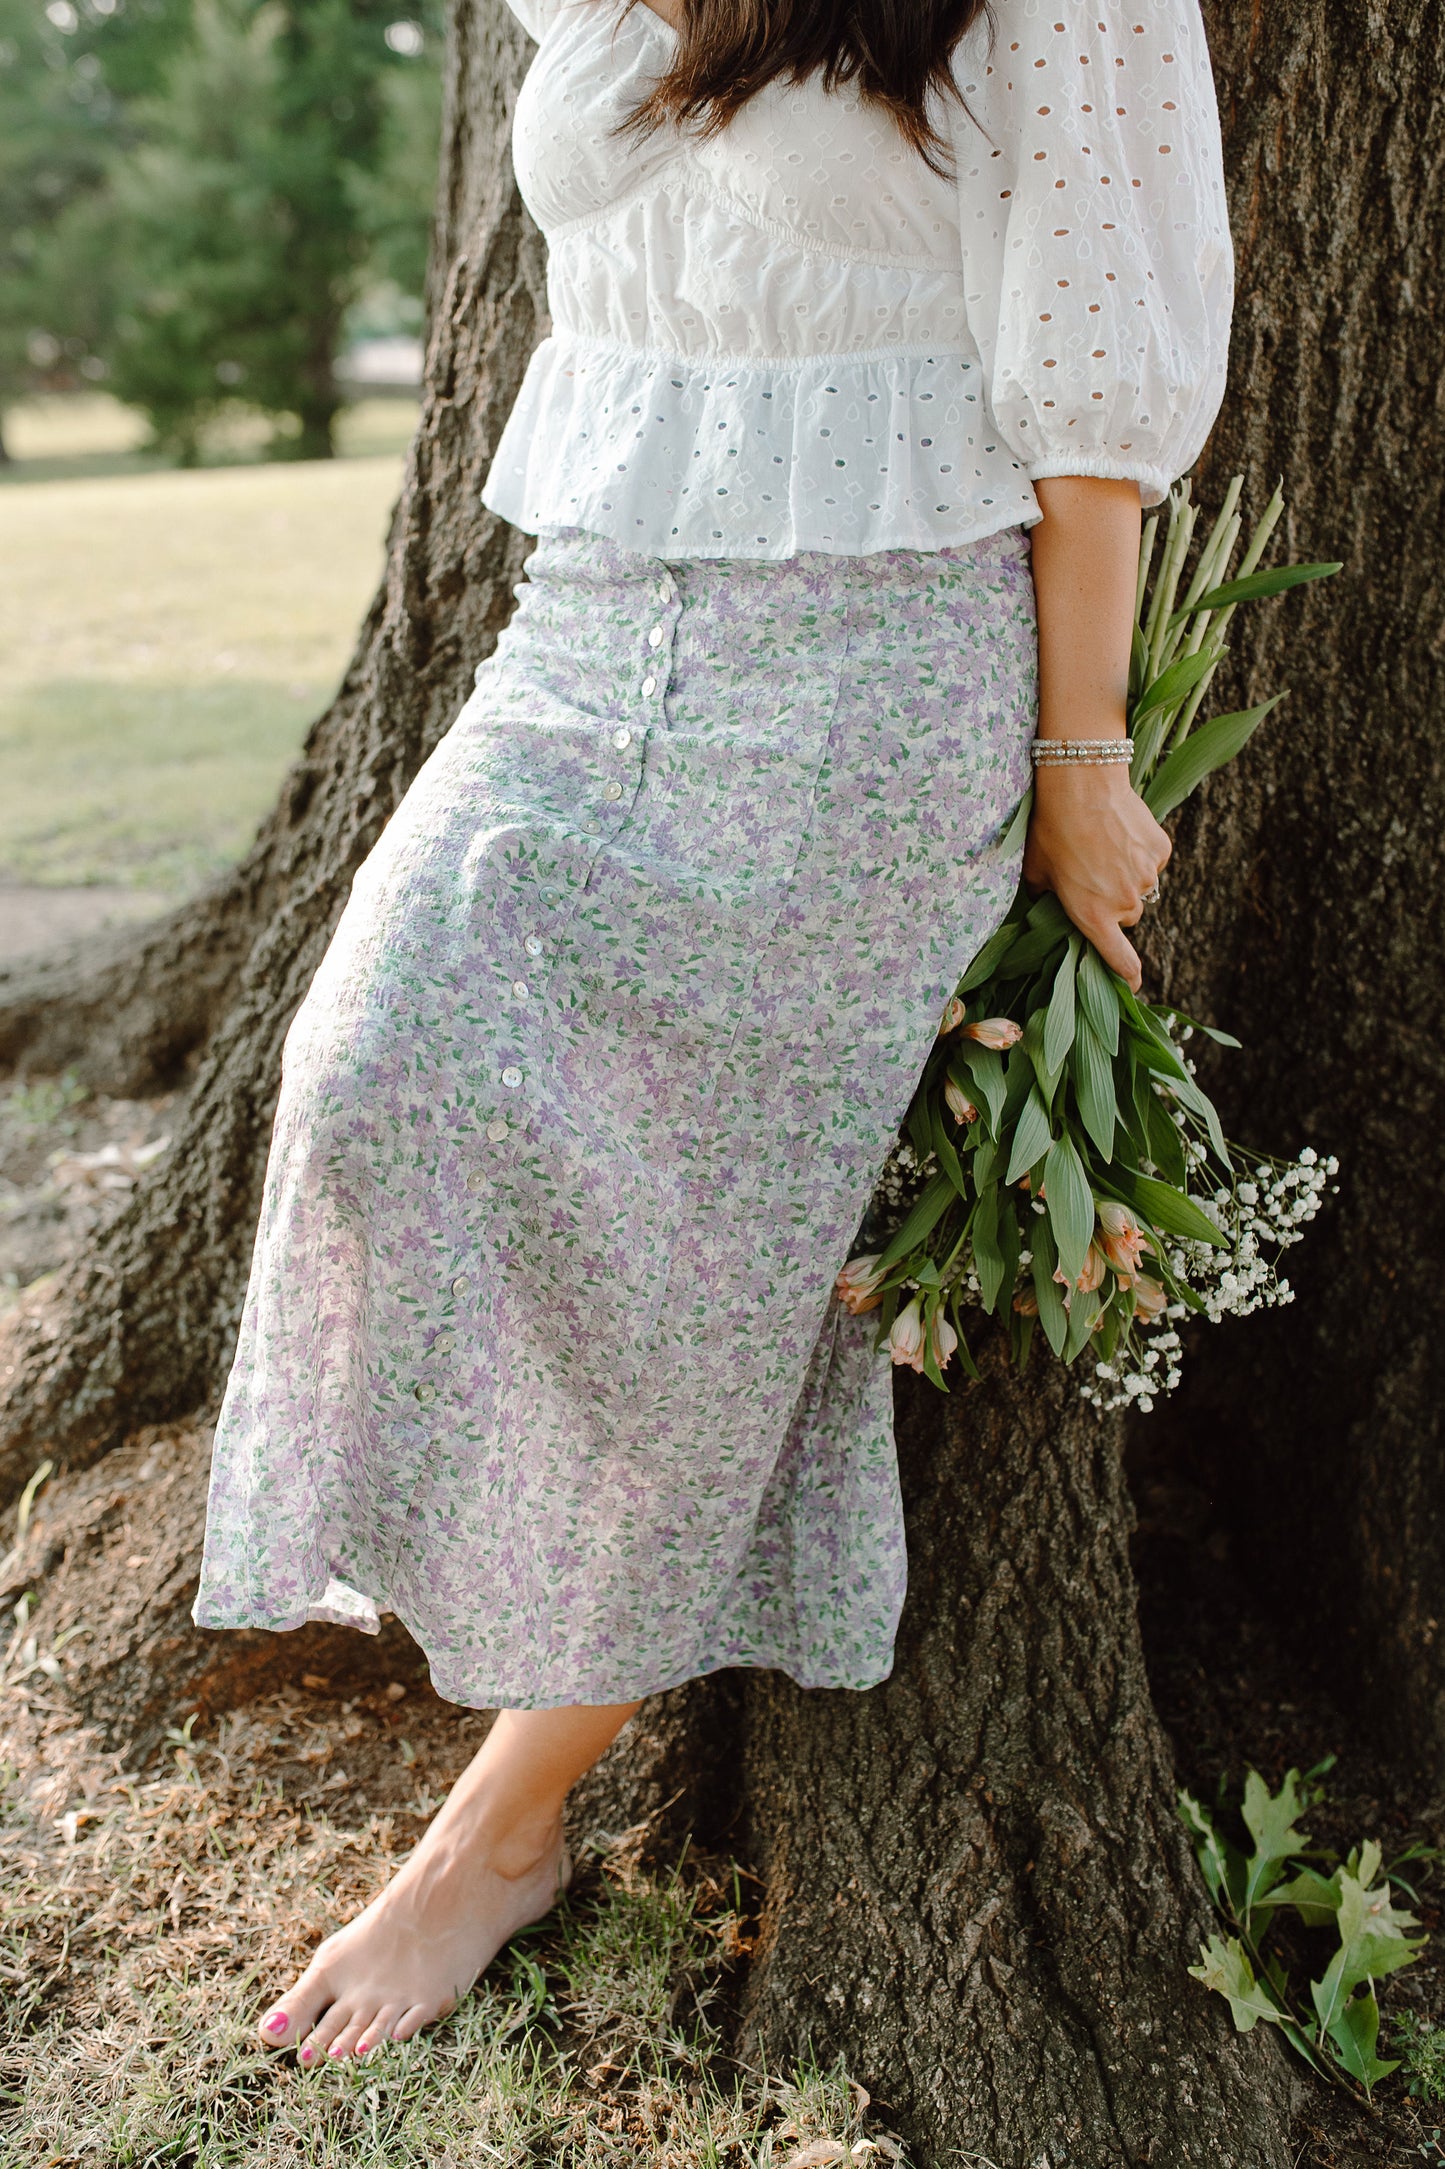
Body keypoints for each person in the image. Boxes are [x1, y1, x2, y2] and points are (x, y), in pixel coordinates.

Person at [192, 0, 1231, 2065]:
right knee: (365, 1069)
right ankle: (483, 1611)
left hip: (882, 656)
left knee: (716, 1280)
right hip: (584, 624)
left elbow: (1094, 357)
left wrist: (1083, 751)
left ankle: (504, 1819)